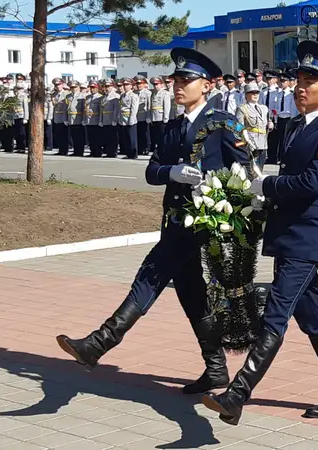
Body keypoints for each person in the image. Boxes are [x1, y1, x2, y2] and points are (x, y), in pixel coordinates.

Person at [56, 47, 251, 395]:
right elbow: (151, 171)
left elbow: (245, 171)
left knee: (151, 272)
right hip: (175, 221)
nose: (179, 86)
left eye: (186, 80)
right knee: (192, 295)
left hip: (204, 223)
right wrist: (173, 171)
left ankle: (100, 342)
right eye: (176, 79)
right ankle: (216, 367)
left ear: (206, 85)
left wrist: (217, 190)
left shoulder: (224, 122)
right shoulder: (174, 126)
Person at [201, 40, 318, 425]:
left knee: (274, 315)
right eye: (299, 78)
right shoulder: (293, 126)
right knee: (314, 318)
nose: (302, 85)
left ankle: (237, 395)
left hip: (307, 237)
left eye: (312, 79)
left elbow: (313, 182)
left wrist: (267, 186)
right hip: (289, 233)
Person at [236, 81, 272, 170]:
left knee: (260, 169)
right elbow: (238, 127)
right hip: (250, 142)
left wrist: (270, 125)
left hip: (263, 143)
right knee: (252, 170)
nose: (255, 95)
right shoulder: (242, 108)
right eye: (252, 93)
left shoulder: (264, 108)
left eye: (257, 93)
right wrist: (246, 141)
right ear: (246, 95)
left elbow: (267, 124)